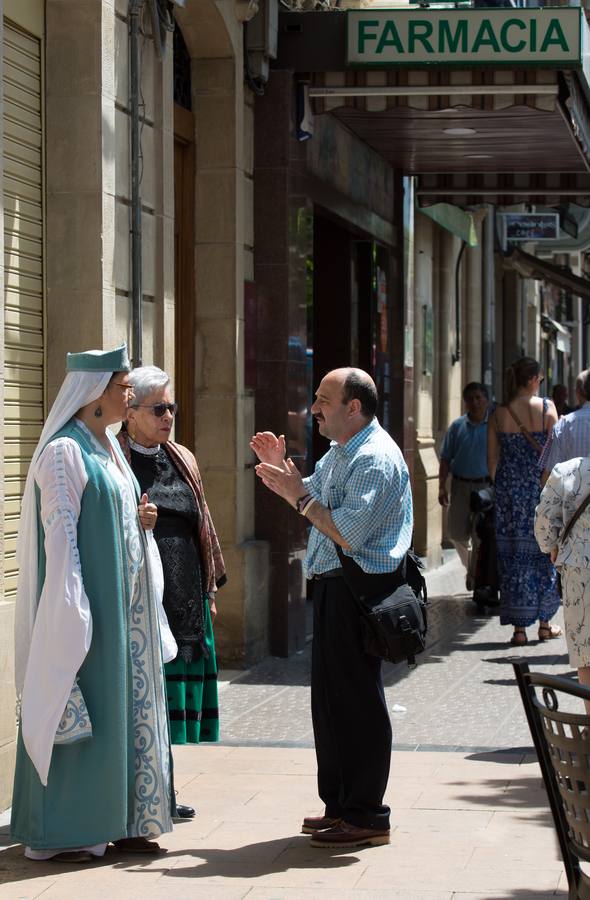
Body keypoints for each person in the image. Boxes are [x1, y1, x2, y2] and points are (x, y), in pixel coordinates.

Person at [11, 345, 176, 863]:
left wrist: (140, 522)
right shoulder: (64, 452)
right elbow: (60, 537)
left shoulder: (106, 447)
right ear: (93, 392)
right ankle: (68, 827)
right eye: (122, 387)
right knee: (85, 714)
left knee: (120, 714)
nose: (129, 396)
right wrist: (74, 612)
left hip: (124, 614)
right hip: (90, 611)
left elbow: (118, 520)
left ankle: (120, 819)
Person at [250, 367, 413, 850]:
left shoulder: (376, 458)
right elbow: (311, 498)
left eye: (323, 399)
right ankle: (340, 806)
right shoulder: (342, 451)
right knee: (330, 701)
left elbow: (347, 531)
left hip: (358, 590)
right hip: (331, 587)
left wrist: (296, 493)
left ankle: (367, 813)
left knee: (357, 701)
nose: (314, 407)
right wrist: (287, 471)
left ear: (354, 408)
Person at [119, 366, 226, 818]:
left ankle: (165, 791)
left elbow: (202, 522)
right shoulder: (115, 459)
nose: (168, 417)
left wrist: (209, 591)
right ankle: (145, 793)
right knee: (143, 700)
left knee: (166, 705)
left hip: (186, 603)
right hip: (142, 601)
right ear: (130, 412)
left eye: (171, 408)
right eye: (159, 408)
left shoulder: (181, 456)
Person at [487, 356, 561, 646]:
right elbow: (555, 454)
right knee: (544, 554)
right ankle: (545, 623)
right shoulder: (546, 408)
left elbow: (491, 460)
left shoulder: (498, 412)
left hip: (509, 496)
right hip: (540, 492)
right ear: (532, 380)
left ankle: (519, 631)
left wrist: (505, 487)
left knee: (513, 558)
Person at [535, 455, 590, 712]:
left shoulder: (566, 472)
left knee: (587, 656)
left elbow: (543, 522)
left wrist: (553, 546)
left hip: (580, 574)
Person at [438, 382, 490, 578]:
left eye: (479, 398)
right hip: (460, 486)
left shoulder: (494, 426)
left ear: (486, 400)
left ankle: (478, 575)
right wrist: (441, 487)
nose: (475, 403)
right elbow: (445, 458)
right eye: (470, 399)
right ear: (465, 403)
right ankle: (472, 568)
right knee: (456, 534)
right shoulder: (457, 427)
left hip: (486, 487)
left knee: (480, 537)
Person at [541, 370, 590, 484]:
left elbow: (550, 474)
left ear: (578, 393)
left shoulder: (564, 424)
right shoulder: (563, 424)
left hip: (572, 497)